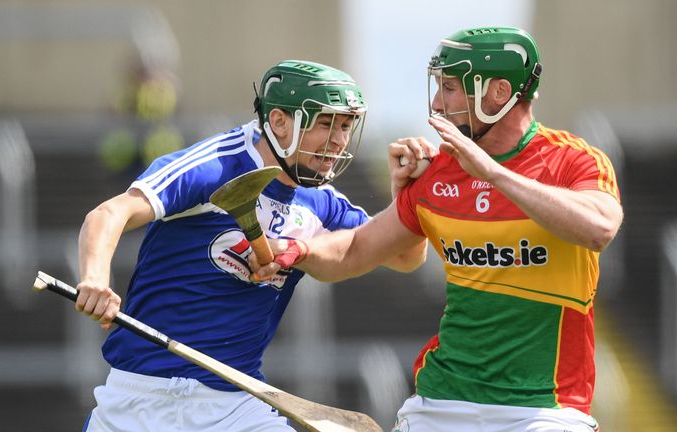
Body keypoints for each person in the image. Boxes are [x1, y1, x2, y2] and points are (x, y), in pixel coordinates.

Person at [256, 27, 624, 432]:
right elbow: (358, 249)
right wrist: (301, 249)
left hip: (545, 410)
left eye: (449, 88)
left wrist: (493, 173)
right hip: (442, 400)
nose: (435, 103)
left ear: (499, 92)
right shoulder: (440, 173)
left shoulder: (573, 161)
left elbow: (600, 227)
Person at [74, 59, 427, 432]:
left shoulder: (320, 201)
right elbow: (109, 214)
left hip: (235, 406)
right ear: (279, 122)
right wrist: (94, 278)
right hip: (138, 400)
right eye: (326, 124)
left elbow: (406, 255)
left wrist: (404, 196)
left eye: (345, 126)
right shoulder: (216, 165)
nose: (339, 140)